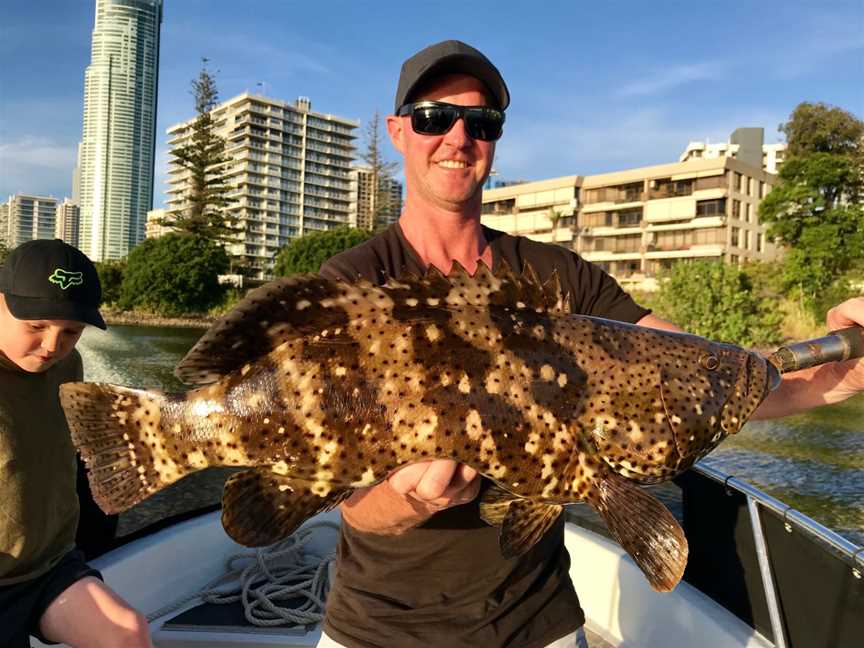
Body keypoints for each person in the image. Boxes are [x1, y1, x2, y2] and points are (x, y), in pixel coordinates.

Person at [316, 40, 864, 648]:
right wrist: (407, 500)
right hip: (378, 629)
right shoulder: (351, 287)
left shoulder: (560, 280)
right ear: (398, 131)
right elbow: (355, 508)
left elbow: (709, 378)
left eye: (481, 121)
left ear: (495, 138)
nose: (458, 137)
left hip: (539, 622)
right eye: (433, 117)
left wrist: (846, 374)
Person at [0, 239, 152, 648]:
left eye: (71, 331)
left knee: (128, 634)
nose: (52, 345)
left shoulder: (68, 364)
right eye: (35, 326)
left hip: (50, 566)